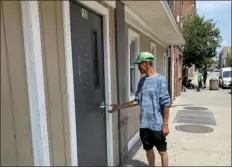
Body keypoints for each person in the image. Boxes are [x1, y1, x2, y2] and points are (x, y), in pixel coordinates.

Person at [109, 52, 171, 167]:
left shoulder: (160, 80)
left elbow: (166, 103)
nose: (138, 68)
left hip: (157, 124)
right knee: (148, 149)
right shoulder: (142, 82)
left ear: (145, 64)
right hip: (144, 124)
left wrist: (165, 125)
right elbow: (137, 100)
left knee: (162, 151)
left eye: (139, 65)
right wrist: (119, 106)